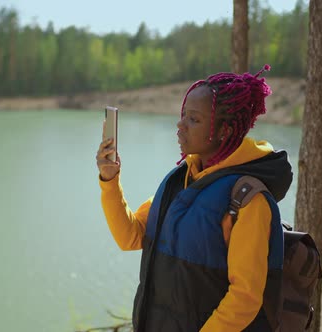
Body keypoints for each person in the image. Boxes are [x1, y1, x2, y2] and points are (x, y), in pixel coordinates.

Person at [95, 65, 293, 332]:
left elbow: (245, 297)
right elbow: (130, 235)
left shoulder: (249, 200)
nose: (180, 126)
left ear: (224, 130)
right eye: (183, 115)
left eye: (193, 119)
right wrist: (109, 180)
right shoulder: (180, 180)